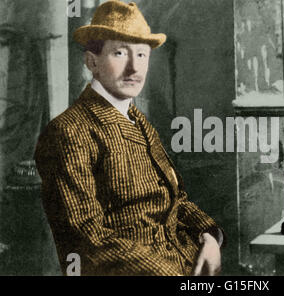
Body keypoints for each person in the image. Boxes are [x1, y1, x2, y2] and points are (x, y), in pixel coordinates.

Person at [34, 0, 224, 276]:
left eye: (142, 55)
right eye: (120, 53)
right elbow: (88, 239)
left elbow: (174, 201)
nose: (135, 68)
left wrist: (210, 236)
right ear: (92, 61)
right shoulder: (69, 131)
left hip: (185, 265)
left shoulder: (138, 121)